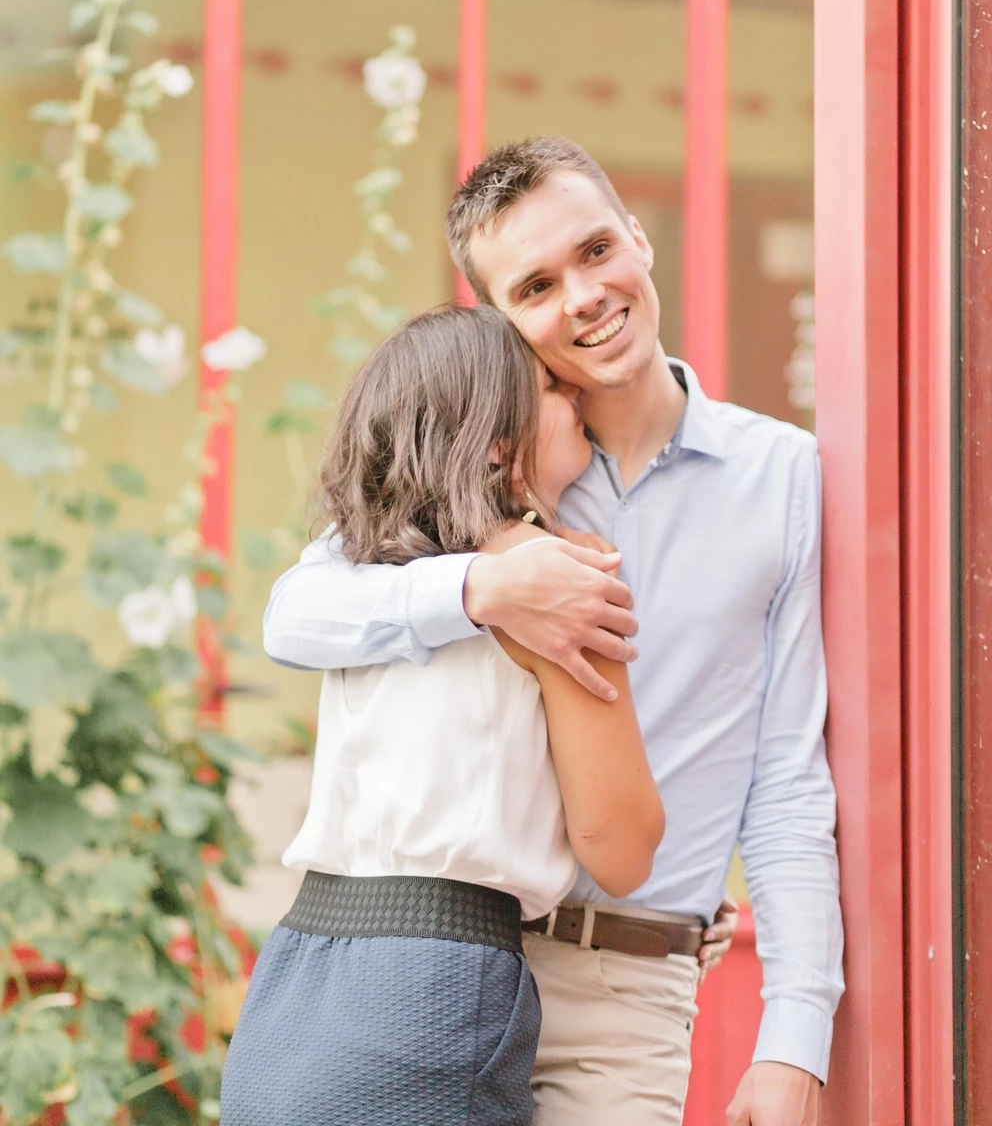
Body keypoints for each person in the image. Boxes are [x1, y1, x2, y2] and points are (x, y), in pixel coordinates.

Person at [264, 136, 845, 1126]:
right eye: (535, 285)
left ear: (638, 241)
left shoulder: (780, 476)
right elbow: (297, 611)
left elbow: (787, 778)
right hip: (457, 959)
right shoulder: (471, 481)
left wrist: (795, 1031)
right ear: (500, 318)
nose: (581, 297)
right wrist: (482, 589)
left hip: (632, 984)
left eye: (594, 252)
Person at [220, 303, 664, 1126]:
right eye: (554, 389)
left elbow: (286, 617)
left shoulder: (361, 574)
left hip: (292, 981)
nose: (577, 401)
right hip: (431, 985)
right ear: (500, 441)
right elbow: (625, 847)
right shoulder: (556, 582)